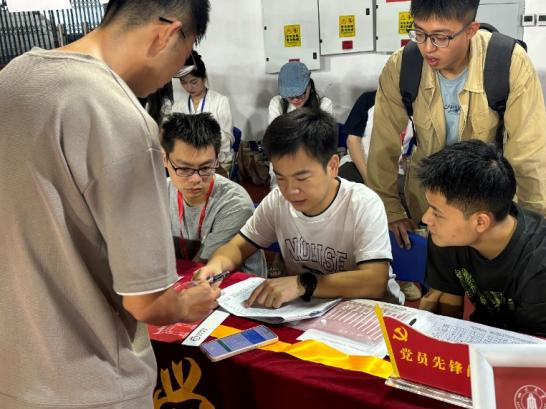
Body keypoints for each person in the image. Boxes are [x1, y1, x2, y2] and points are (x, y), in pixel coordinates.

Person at [0, 1, 221, 408]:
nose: (175, 74)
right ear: (167, 34)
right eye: (184, 57)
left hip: (14, 375)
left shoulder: (12, 77)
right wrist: (187, 302)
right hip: (92, 384)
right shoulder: (118, 117)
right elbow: (147, 301)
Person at [368, 0, 546, 251]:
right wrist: (390, 211)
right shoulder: (402, 67)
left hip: (484, 210)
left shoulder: (509, 63)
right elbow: (382, 146)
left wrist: (531, 228)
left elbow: (528, 154)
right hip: (429, 208)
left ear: (471, 30)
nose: (427, 47)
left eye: (441, 37)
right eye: (419, 33)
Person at [194, 109, 404, 308]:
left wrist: (303, 283)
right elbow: (239, 246)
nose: (290, 190)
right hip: (307, 310)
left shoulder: (362, 203)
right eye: (281, 178)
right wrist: (217, 265)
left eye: (302, 178)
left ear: (332, 166)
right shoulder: (278, 200)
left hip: (367, 310)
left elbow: (374, 281)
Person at [418, 140, 546, 337]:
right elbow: (449, 303)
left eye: (436, 212)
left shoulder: (538, 265)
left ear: (480, 222)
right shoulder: (447, 236)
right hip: (480, 336)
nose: (426, 219)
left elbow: (533, 344)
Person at [162, 112, 267, 277]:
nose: (196, 179)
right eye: (184, 168)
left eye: (205, 168)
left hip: (228, 286)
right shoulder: (158, 194)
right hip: (182, 279)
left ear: (216, 158)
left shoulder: (234, 203)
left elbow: (204, 270)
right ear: (165, 159)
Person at [268, 61, 335, 188]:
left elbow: (322, 143)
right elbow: (276, 141)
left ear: (309, 85)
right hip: (284, 160)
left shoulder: (324, 105)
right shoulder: (277, 103)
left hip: (314, 161)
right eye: (290, 96)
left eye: (300, 94)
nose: (295, 100)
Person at [172, 50, 234, 176]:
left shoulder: (220, 101)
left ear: (204, 77)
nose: (189, 87)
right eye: (184, 82)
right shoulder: (178, 106)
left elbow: (228, 139)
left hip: (215, 161)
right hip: (187, 160)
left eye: (194, 82)